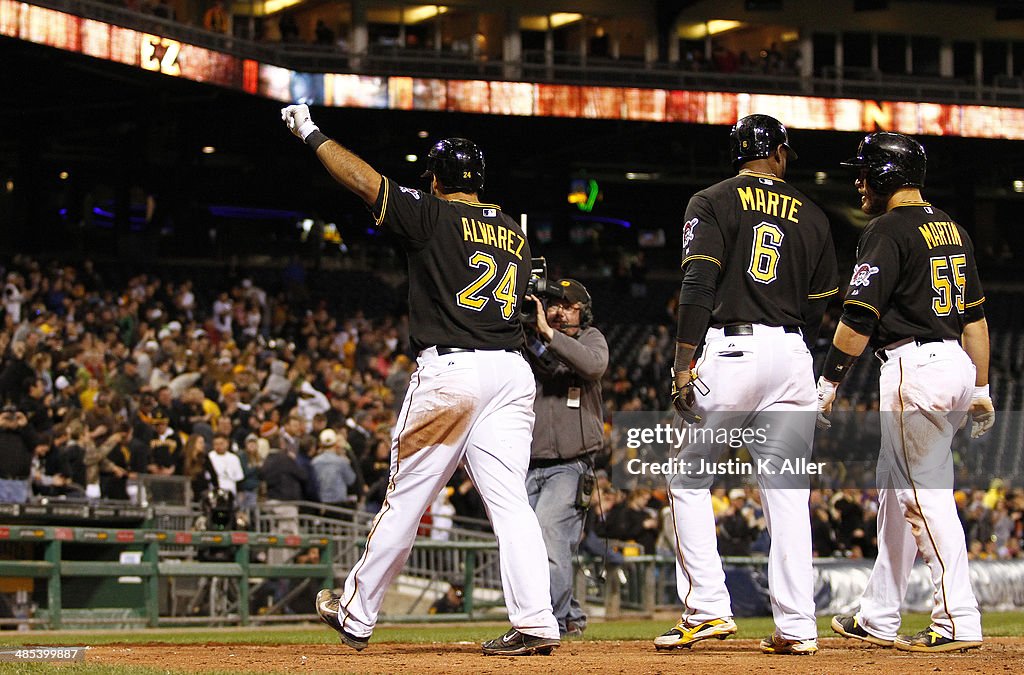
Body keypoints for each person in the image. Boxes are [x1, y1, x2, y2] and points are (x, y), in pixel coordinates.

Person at [281, 104, 559, 655]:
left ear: (434, 178)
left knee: (406, 498)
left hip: (453, 372)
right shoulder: (513, 232)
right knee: (511, 506)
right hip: (510, 371)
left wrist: (310, 133)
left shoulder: (431, 215)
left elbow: (365, 181)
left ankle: (357, 613)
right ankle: (536, 621)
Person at [656, 114, 838, 655]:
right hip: (793, 352)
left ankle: (708, 607)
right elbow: (822, 300)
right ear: (779, 153)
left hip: (732, 347)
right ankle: (799, 626)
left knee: (687, 479)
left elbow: (698, 280)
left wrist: (683, 361)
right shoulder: (814, 213)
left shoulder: (711, 200)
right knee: (787, 498)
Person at [820, 132, 992, 653]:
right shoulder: (952, 228)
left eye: (865, 171)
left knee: (921, 498)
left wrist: (828, 381)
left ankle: (957, 618)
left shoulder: (887, 229)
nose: (859, 181)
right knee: (896, 495)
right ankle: (879, 614)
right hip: (955, 363)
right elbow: (977, 321)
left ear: (886, 176)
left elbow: (858, 317)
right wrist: (981, 386)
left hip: (914, 365)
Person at [523, 279, 608, 637]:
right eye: (552, 303)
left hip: (571, 464)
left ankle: (552, 621)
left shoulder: (590, 338)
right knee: (530, 543)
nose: (557, 310)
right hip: (528, 464)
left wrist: (547, 333)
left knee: (549, 532)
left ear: (582, 311)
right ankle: (570, 613)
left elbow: (591, 366)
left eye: (566, 305)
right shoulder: (527, 343)